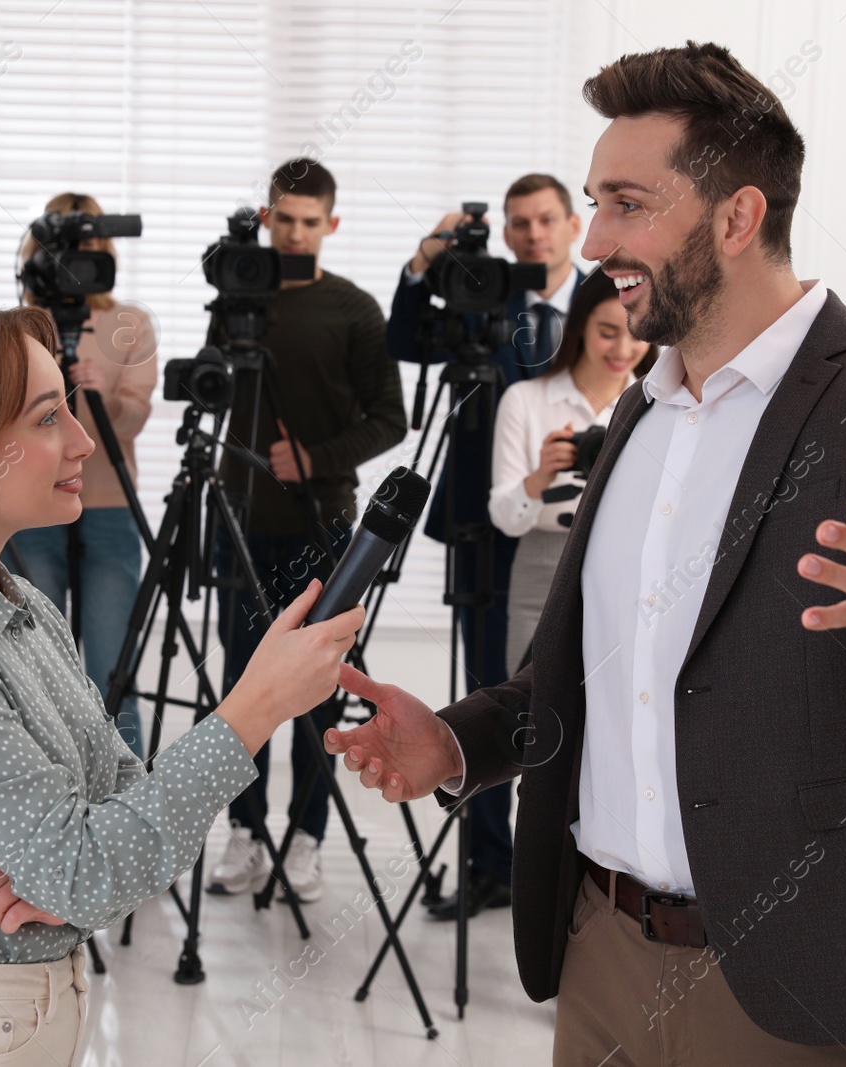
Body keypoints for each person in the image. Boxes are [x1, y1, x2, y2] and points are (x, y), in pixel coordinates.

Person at [329, 41, 846, 1067]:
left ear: (737, 218)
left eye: (626, 204)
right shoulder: (637, 416)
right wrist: (454, 741)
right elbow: (589, 676)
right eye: (594, 203)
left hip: (796, 976)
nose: (593, 240)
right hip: (598, 952)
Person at [0, 304, 362, 1066]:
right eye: (49, 417)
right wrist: (254, 707)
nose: (85, 439)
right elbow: (97, 858)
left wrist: (67, 868)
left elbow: (119, 816)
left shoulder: (21, 607)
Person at [387, 173, 585, 919]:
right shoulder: (485, 296)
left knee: (573, 696)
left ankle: (564, 870)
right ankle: (489, 865)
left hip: (576, 526)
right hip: (483, 525)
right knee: (492, 695)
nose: (533, 235)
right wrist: (422, 262)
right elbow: (405, 340)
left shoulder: (609, 309)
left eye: (546, 221)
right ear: (505, 233)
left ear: (571, 226)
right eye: (519, 224)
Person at [208, 158, 406, 903]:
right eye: (282, 219)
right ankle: (245, 831)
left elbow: (391, 416)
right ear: (265, 219)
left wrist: (314, 457)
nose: (294, 232)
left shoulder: (353, 309)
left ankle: (306, 839)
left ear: (331, 224)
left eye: (308, 221)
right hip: (240, 519)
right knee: (242, 683)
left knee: (318, 687)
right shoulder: (235, 300)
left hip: (323, 527)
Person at [1, 192, 157, 761]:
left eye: (89, 246)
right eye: (65, 245)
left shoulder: (128, 323)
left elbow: (135, 419)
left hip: (110, 510)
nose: (76, 259)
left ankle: (134, 807)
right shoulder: (17, 326)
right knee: (35, 670)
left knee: (114, 672)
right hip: (36, 507)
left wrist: (98, 393)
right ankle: (48, 806)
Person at [489, 271, 654, 674]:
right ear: (580, 326)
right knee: (527, 707)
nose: (623, 348)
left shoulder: (659, 406)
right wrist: (540, 476)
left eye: (635, 332)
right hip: (542, 563)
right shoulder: (525, 400)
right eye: (607, 332)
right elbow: (505, 520)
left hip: (630, 569)